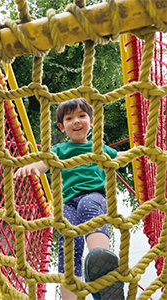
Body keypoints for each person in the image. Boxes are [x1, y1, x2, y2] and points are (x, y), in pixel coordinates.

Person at [15, 98, 127, 300]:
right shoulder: (60, 150)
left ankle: (103, 267)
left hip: (94, 196)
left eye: (82, 116)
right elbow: (44, 163)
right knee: (67, 242)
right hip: (68, 203)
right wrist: (32, 168)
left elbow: (119, 156)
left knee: (88, 207)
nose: (76, 121)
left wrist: (142, 153)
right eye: (69, 118)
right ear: (61, 126)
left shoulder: (98, 148)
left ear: (91, 121)